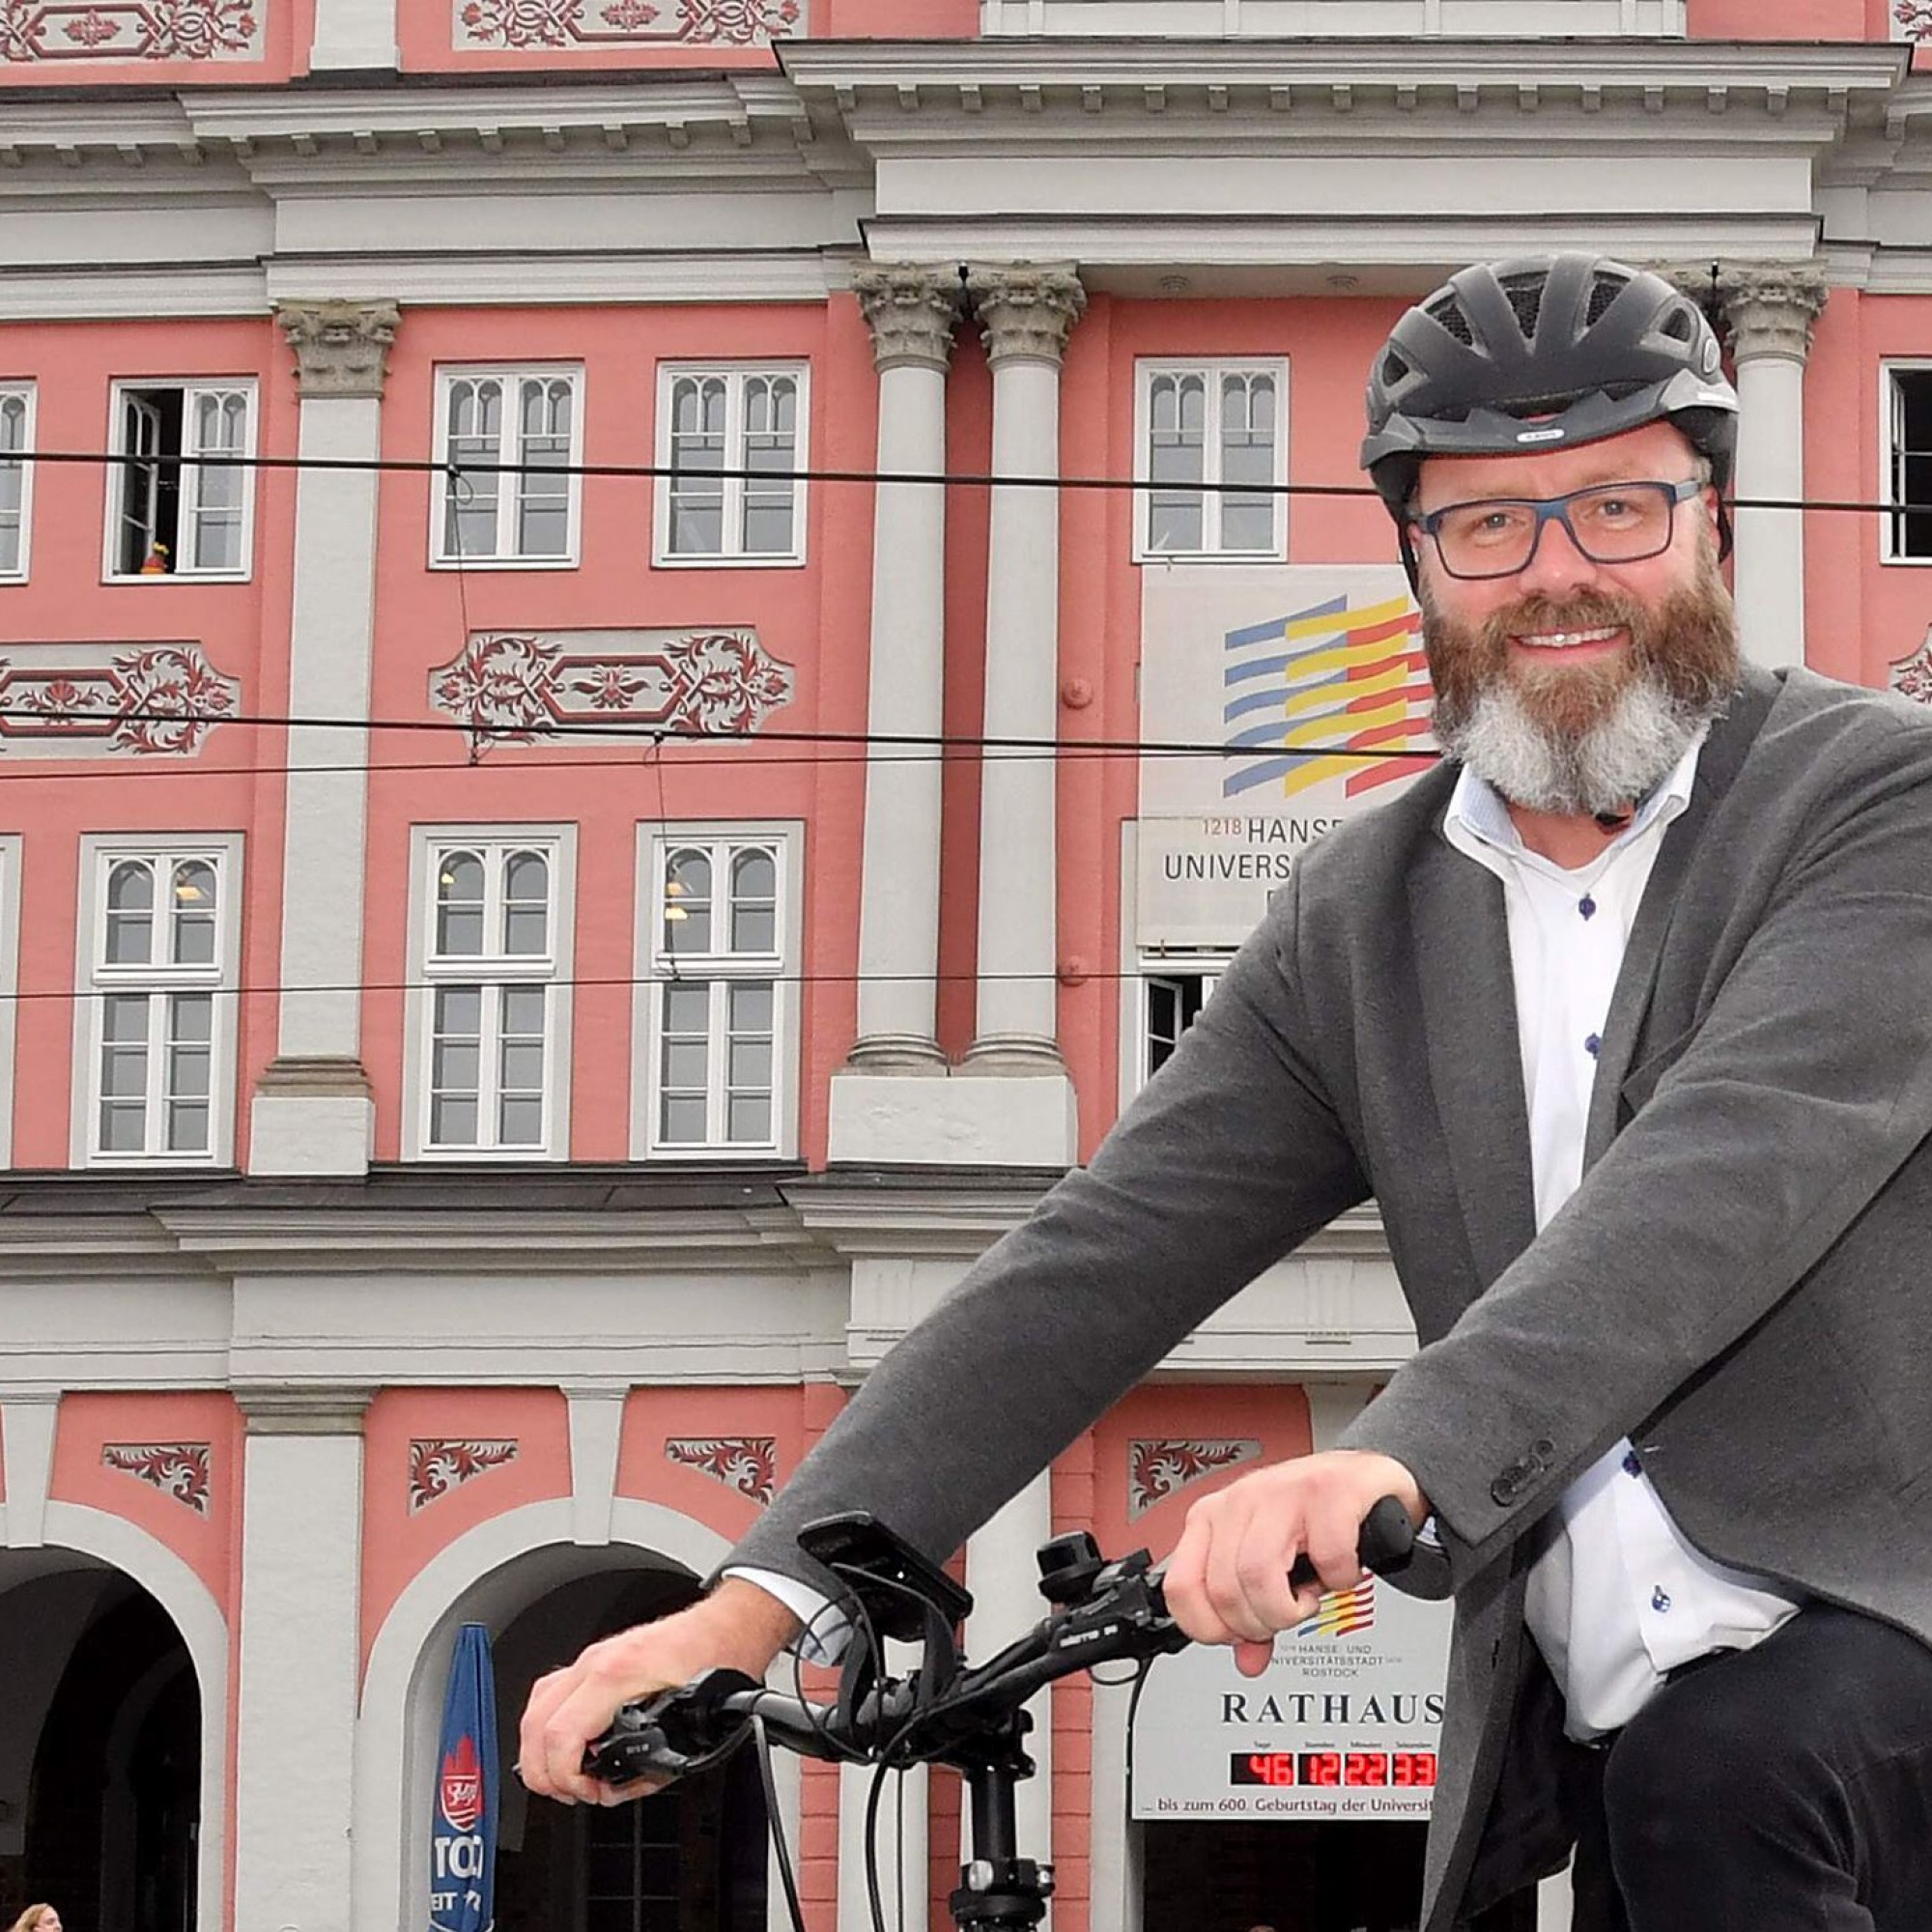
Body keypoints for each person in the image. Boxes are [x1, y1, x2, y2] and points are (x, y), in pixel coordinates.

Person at [522, 254, 1932, 1931]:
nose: (1562, 576)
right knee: (1678, 1798)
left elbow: (1719, 1185)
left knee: (1726, 1778)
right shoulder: (1363, 914)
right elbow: (1092, 1261)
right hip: (1618, 1737)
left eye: (1619, 507)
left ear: (1710, 519)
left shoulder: (1874, 801)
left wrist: (1386, 1458)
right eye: (1490, 528)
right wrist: (755, 1605)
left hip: (1878, 1647)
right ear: (1417, 564)